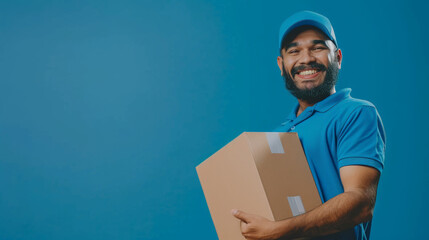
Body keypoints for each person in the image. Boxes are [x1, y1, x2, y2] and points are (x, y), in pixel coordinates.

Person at [231, 11, 386, 240]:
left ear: (338, 58)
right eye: (294, 51)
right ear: (281, 64)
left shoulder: (356, 113)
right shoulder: (276, 137)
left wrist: (278, 230)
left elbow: (361, 202)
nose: (306, 59)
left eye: (318, 48)